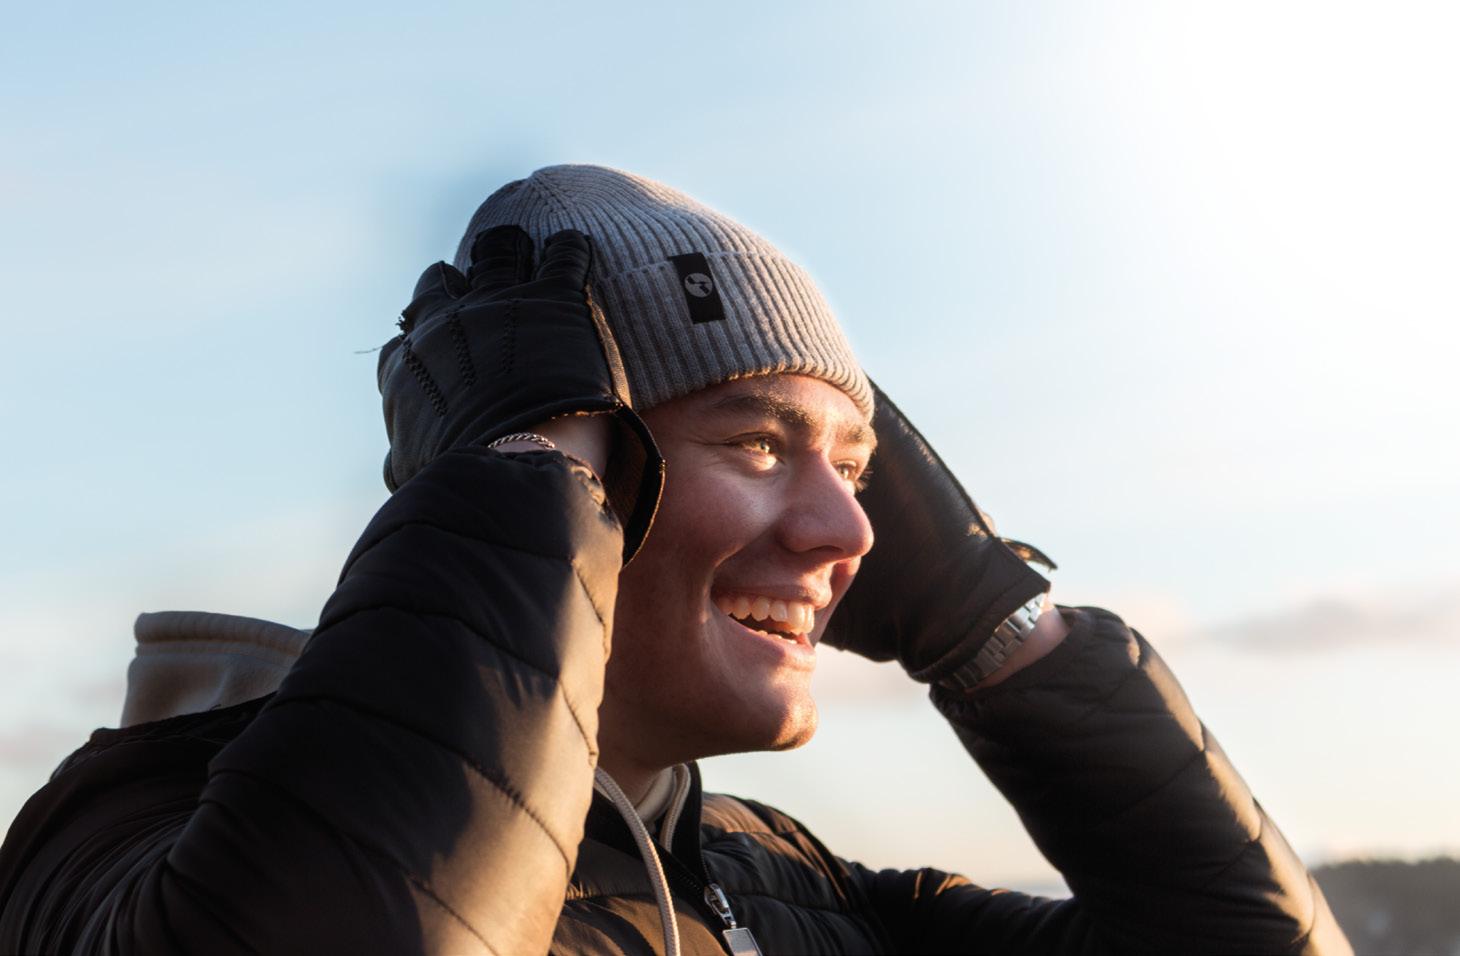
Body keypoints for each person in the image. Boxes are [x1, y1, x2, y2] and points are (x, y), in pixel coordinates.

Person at [0, 164, 1351, 955]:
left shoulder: (789, 884)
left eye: (858, 471)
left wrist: (990, 621)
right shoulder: (129, 832)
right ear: (562, 464)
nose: (852, 534)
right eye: (758, 443)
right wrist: (522, 473)